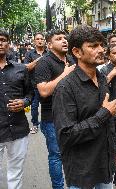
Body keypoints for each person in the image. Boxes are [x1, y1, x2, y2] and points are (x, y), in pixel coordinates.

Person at [52, 25, 116, 189]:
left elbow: (109, 121)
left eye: (101, 45)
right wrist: (104, 113)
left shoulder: (102, 78)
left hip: (104, 164)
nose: (100, 50)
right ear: (77, 52)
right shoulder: (65, 88)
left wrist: (115, 150)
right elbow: (66, 135)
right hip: (82, 170)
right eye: (92, 46)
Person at [35, 30, 75, 189]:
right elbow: (43, 91)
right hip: (52, 118)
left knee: (74, 154)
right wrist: (65, 74)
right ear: (49, 45)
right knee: (56, 156)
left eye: (65, 38)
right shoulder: (44, 62)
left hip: (73, 116)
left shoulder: (72, 59)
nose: (64, 41)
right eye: (59, 39)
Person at [0, 29, 33, 189]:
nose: (0, 43)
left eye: (3, 39)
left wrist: (24, 102)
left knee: (15, 174)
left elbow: (30, 93)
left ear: (8, 44)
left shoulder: (21, 69)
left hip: (18, 130)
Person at [24, 32, 48, 134]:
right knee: (34, 106)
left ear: (44, 41)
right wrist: (39, 60)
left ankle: (48, 123)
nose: (40, 41)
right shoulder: (29, 54)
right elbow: (27, 67)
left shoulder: (49, 53)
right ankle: (35, 124)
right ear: (34, 41)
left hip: (48, 85)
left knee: (49, 105)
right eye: (37, 39)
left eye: (41, 39)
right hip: (34, 85)